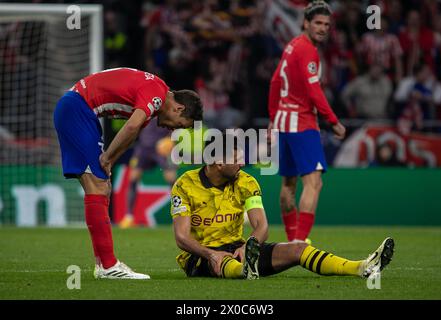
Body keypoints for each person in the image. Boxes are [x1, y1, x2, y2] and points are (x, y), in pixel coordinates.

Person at [53, 67, 202, 279]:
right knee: (97, 185)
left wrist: (110, 160)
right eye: (178, 125)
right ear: (179, 108)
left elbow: (132, 135)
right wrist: (106, 158)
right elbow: (131, 128)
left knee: (102, 186)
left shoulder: (155, 99)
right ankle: (108, 266)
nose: (172, 130)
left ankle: (103, 264)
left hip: (79, 110)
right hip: (77, 109)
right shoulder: (156, 96)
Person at [170, 140, 394, 280]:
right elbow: (181, 237)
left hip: (238, 247)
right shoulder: (185, 184)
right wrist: (211, 254)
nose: (242, 163)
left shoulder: (246, 182)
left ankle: (362, 267)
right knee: (223, 261)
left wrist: (251, 246)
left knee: (297, 249)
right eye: (236, 159)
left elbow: (261, 225)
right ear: (218, 162)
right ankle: (244, 270)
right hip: (198, 255)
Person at [267, 1, 346, 243]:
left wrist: (273, 118)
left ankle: (291, 240)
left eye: (327, 25)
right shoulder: (308, 50)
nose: (323, 28)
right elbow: (314, 92)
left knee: (289, 184)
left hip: (284, 122)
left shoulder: (292, 45)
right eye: (318, 23)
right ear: (306, 23)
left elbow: (275, 82)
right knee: (314, 183)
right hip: (301, 123)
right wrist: (332, 121)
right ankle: (299, 242)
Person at [119, 118, 177, 228]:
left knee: (173, 181)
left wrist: (170, 139)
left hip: (162, 148)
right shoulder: (145, 107)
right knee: (133, 178)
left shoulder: (167, 106)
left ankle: (180, 217)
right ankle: (129, 217)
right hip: (143, 147)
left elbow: (176, 124)